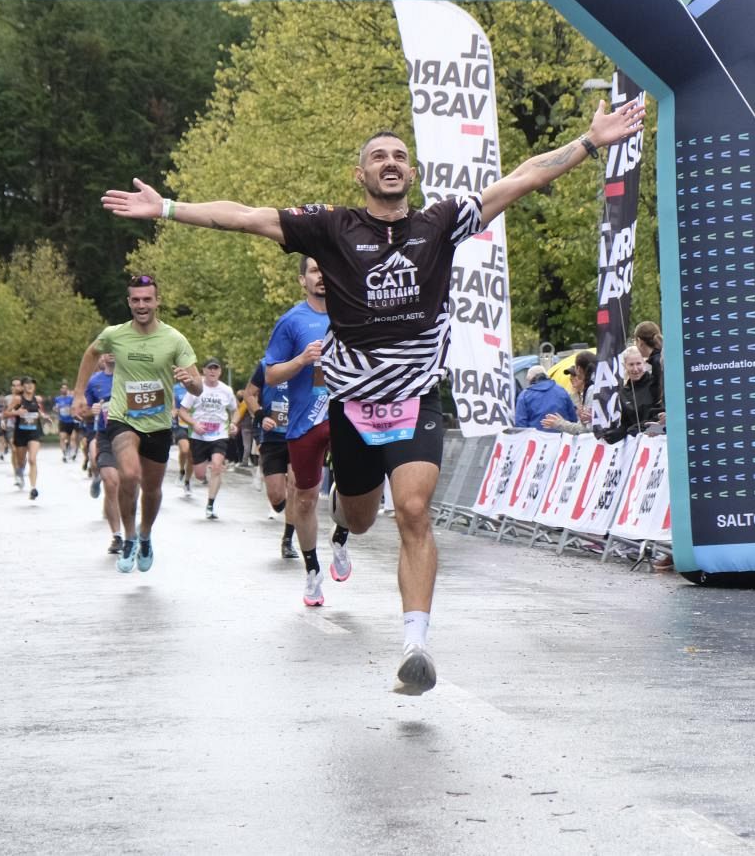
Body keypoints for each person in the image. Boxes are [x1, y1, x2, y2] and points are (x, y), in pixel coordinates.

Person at [102, 98, 646, 693]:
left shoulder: (441, 222)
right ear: (360, 175)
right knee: (359, 521)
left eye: (399, 156)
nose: (390, 163)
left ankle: (416, 644)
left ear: (409, 174)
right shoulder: (331, 228)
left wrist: (590, 142)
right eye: (377, 157)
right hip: (354, 407)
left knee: (413, 509)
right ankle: (343, 516)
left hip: (416, 397)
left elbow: (523, 176)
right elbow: (245, 216)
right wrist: (169, 208)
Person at [71, 273, 201, 573]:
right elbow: (91, 353)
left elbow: (197, 387)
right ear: (129, 302)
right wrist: (79, 393)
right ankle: (128, 537)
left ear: (157, 301)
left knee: (152, 488)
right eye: (136, 300)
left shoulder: (174, 339)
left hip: (157, 422)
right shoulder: (114, 334)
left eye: (147, 299)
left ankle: (145, 534)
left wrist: (189, 380)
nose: (142, 305)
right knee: (128, 474)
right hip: (122, 417)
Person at [263, 256, 340, 606]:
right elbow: (270, 375)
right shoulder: (291, 322)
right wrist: (302, 361)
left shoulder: (354, 313)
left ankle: (341, 537)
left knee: (358, 489)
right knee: (306, 498)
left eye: (325, 269)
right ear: (302, 280)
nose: (321, 276)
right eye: (313, 270)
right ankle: (312, 572)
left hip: (345, 415)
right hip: (304, 421)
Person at [177, 359, 238, 521]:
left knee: (217, 466)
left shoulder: (226, 390)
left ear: (220, 372)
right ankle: (192, 478)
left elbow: (236, 410)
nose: (212, 372)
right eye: (209, 369)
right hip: (199, 435)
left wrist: (233, 423)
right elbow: (182, 412)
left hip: (219, 434)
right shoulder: (196, 389)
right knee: (200, 474)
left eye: (216, 369)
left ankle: (210, 505)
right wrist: (194, 423)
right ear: (203, 370)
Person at [244, 360, 296, 551]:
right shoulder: (266, 365)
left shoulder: (307, 362)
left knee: (295, 485)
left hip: (298, 434)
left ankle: (288, 539)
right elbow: (248, 394)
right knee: (276, 497)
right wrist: (260, 416)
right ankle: (281, 504)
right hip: (272, 437)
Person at [83, 353, 124, 555]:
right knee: (110, 481)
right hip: (105, 435)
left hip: (129, 436)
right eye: (107, 350)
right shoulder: (94, 381)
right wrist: (93, 409)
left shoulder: (131, 375)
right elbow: (82, 411)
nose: (111, 353)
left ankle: (137, 533)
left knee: (128, 484)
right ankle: (117, 536)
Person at [7, 377, 47, 500]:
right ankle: (19, 471)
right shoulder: (17, 399)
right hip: (21, 433)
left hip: (34, 432)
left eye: (32, 384)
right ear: (23, 386)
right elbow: (6, 413)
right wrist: (16, 413)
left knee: (32, 459)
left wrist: (44, 416)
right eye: (27, 384)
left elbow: (39, 411)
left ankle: (33, 488)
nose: (30, 386)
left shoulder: (38, 399)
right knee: (20, 461)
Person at [514, 365, 575, 430]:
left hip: (535, 438)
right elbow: (573, 418)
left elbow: (520, 425)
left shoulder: (524, 395)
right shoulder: (562, 391)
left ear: (530, 380)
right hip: (561, 437)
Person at [171, 379, 194, 497]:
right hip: (181, 425)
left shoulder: (197, 387)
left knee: (191, 456)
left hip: (195, 426)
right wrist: (173, 411)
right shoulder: (175, 388)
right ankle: (181, 470)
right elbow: (173, 406)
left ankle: (187, 481)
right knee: (184, 449)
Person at [0, 378, 20, 465]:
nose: (16, 387)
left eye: (18, 385)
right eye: (14, 385)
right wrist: (2, 421)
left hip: (23, 426)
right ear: (11, 387)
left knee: (20, 450)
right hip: (11, 426)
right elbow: (3, 411)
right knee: (14, 448)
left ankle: (20, 466)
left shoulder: (25, 398)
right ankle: (17, 470)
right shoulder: (7, 398)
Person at [54, 382, 78, 463]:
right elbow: (56, 407)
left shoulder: (71, 398)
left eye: (65, 388)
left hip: (71, 421)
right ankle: (64, 454)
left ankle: (73, 452)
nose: (64, 389)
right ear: (60, 390)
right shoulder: (57, 399)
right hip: (62, 421)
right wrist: (56, 409)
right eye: (62, 388)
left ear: (67, 390)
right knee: (62, 438)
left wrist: (71, 409)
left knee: (72, 438)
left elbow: (74, 407)